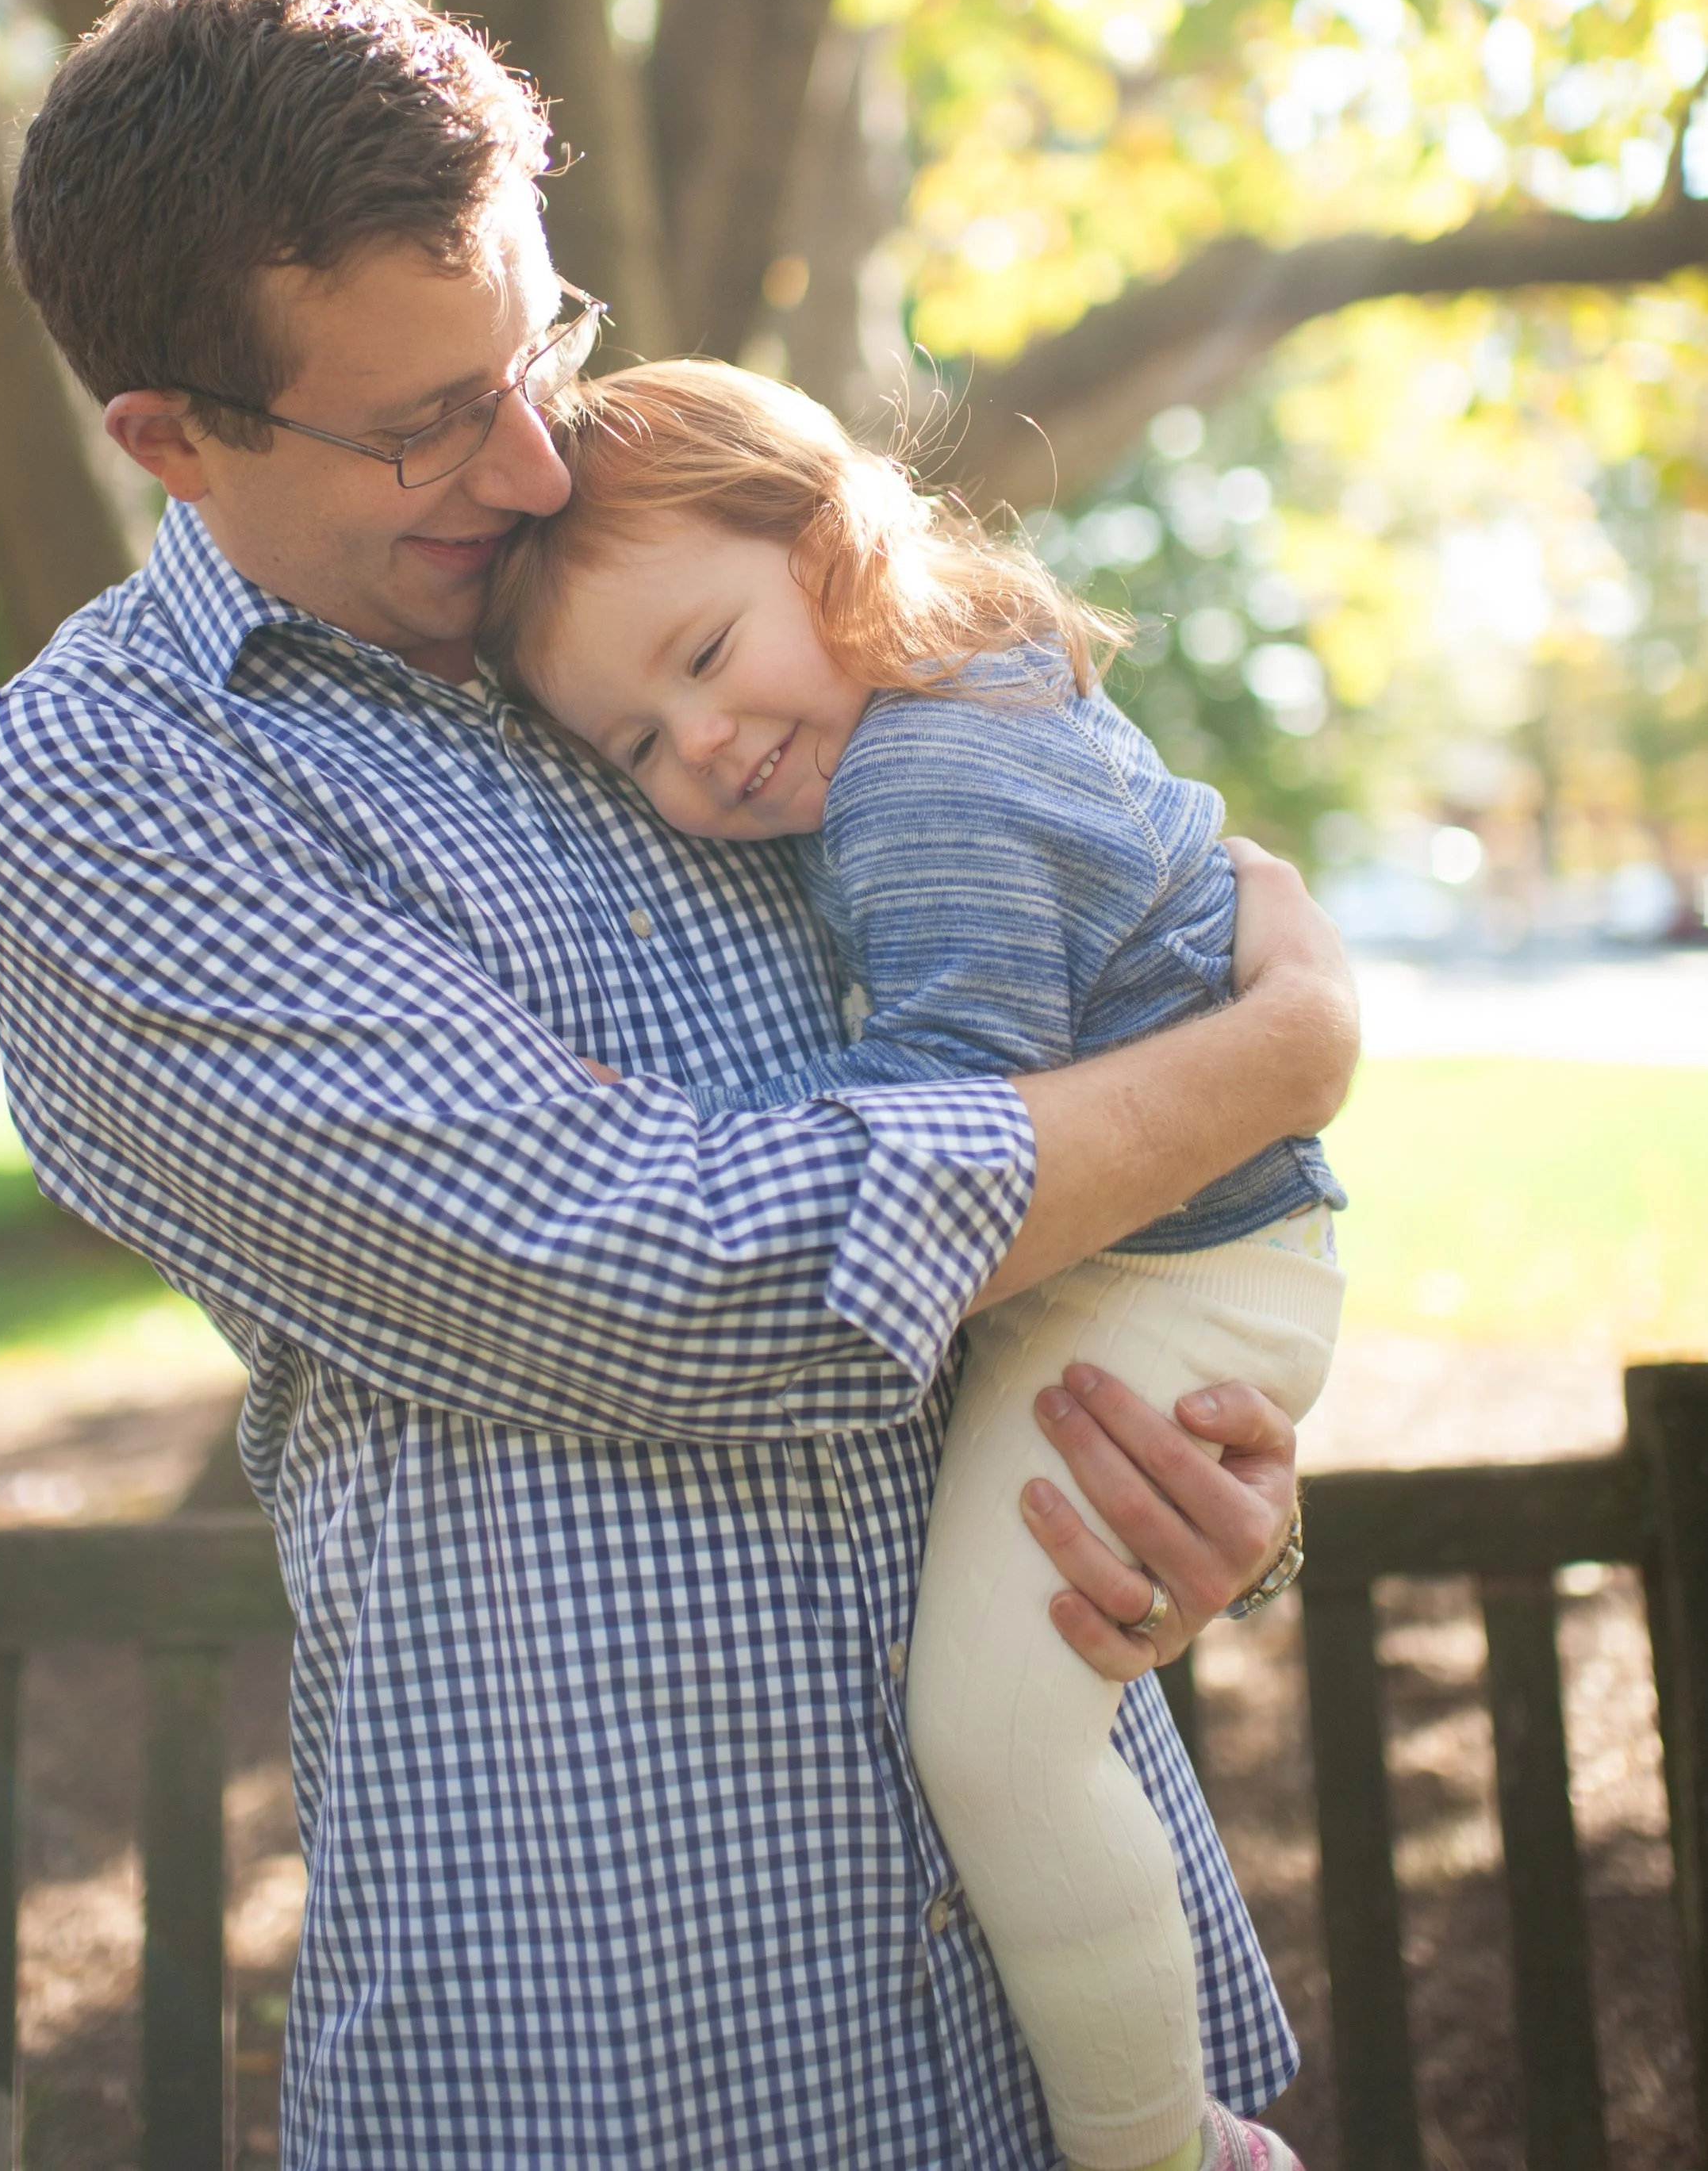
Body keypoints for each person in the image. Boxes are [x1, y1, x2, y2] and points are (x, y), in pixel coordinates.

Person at [0, 0, 1361, 2171]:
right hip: (633, 2034)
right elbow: (682, 1282)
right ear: (169, 433)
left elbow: (1105, 908)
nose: (521, 459)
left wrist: (1188, 1485)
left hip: (1053, 2014)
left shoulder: (654, 594)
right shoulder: (112, 788)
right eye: (421, 420)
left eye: (538, 346)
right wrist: (1283, 1047)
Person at [483, 359, 1348, 2171]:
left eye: (705, 654)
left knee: (994, 1740)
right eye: (636, 743)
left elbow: (946, 1112)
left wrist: (664, 1113)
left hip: (1165, 1272)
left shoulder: (922, 780)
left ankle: (1155, 2154)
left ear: (830, 534)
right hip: (1182, 1248)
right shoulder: (957, 690)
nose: (698, 743)